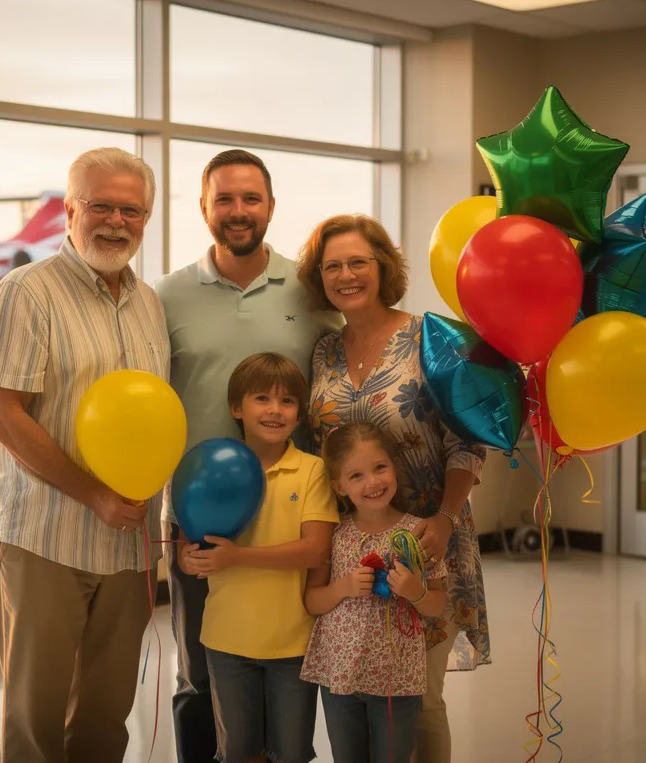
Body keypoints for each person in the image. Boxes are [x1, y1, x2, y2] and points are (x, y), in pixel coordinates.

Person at [0, 147, 168, 763]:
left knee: (107, 717)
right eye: (100, 206)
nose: (115, 222)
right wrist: (95, 495)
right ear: (70, 211)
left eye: (130, 210)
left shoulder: (149, 304)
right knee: (37, 719)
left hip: (128, 544)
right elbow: (2, 414)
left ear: (148, 216)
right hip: (44, 537)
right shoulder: (26, 292)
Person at [154, 149, 341, 762]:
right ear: (204, 207)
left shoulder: (312, 292)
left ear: (270, 207)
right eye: (225, 199)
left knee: (289, 662)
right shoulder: (166, 297)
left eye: (251, 198)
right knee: (200, 670)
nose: (239, 211)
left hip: (293, 509)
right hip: (200, 517)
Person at [297, 213, 489, 763]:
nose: (346, 274)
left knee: (421, 698)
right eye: (332, 266)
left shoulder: (430, 337)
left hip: (427, 537)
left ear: (384, 267)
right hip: (353, 546)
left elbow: (468, 438)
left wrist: (446, 517)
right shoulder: (324, 351)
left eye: (358, 261)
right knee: (359, 693)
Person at [177, 352, 340, 763]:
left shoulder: (312, 470)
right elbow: (186, 551)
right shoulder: (209, 465)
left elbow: (315, 550)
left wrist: (237, 557)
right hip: (226, 641)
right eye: (262, 398)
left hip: (293, 642)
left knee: (292, 752)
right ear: (237, 408)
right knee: (238, 752)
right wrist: (191, 560)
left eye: (287, 402)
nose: (275, 410)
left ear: (300, 414)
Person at [301, 422, 447, 763]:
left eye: (380, 467)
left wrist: (415, 592)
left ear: (394, 467)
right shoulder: (335, 535)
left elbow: (437, 604)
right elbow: (312, 600)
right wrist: (343, 587)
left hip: (397, 679)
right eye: (356, 476)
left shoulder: (418, 532)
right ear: (339, 486)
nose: (373, 482)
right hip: (340, 675)